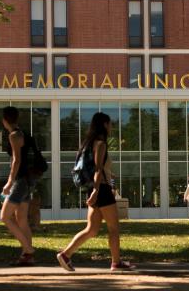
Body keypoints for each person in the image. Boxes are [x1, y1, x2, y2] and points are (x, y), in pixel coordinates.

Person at [57, 112, 134, 272]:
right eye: (110, 123)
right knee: (113, 227)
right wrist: (97, 191)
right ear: (104, 125)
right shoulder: (100, 144)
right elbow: (98, 169)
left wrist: (101, 181)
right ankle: (116, 263)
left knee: (91, 229)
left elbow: (98, 168)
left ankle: (65, 255)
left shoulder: (86, 144)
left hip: (93, 189)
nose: (111, 127)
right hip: (101, 190)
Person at [0, 106, 35, 266]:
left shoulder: (14, 135)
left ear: (5, 121)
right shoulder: (23, 133)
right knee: (21, 220)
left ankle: (28, 250)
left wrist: (9, 182)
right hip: (27, 180)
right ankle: (27, 257)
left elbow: (17, 160)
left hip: (20, 181)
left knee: (5, 217)